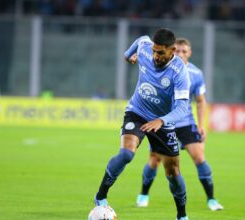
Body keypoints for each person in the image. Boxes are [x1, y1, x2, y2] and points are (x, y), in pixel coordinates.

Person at [93, 28, 191, 220]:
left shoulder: (180, 73)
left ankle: (182, 215)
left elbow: (182, 109)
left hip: (163, 122)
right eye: (154, 51)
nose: (155, 55)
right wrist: (128, 55)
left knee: (173, 172)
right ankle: (101, 196)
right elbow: (141, 40)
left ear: (172, 50)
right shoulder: (147, 49)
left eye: (161, 52)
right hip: (137, 112)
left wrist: (161, 121)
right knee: (126, 153)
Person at [136, 38, 224, 211]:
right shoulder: (161, 68)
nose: (181, 54)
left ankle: (212, 199)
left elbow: (200, 101)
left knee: (199, 157)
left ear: (189, 53)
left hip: (185, 121)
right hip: (163, 122)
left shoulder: (196, 74)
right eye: (178, 51)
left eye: (185, 51)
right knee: (154, 160)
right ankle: (143, 195)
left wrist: (201, 124)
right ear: (172, 51)